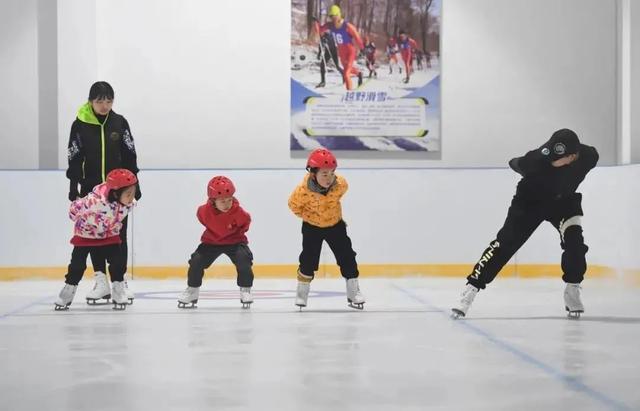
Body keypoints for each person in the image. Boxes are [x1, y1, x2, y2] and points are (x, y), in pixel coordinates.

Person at [451, 129, 599, 319]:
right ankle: (471, 289)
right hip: (529, 203)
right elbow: (514, 162)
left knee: (575, 243)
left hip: (563, 203)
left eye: (558, 159)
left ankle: (572, 289)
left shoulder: (588, 156)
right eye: (550, 157)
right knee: (505, 244)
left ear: (573, 156)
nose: (552, 161)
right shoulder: (534, 161)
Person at [66, 81, 140, 304]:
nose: (105, 105)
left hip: (118, 192)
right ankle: (101, 280)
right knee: (92, 236)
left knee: (119, 235)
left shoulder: (119, 122)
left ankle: (120, 280)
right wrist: (74, 186)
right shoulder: (79, 125)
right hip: (91, 191)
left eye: (109, 100)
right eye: (100, 101)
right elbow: (74, 157)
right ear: (91, 101)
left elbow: (130, 155)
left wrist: (136, 185)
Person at [288, 148, 365, 310]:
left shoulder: (341, 185)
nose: (329, 178)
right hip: (312, 228)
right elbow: (293, 206)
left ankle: (353, 292)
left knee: (347, 256)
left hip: (335, 225)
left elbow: (339, 194)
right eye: (324, 174)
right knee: (308, 260)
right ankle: (302, 293)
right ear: (313, 173)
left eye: (331, 173)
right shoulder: (302, 191)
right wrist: (308, 217)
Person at [55, 169, 137, 311]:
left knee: (117, 262)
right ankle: (67, 292)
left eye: (133, 193)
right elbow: (74, 210)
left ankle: (118, 290)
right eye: (128, 194)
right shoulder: (93, 203)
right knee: (77, 266)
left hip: (108, 234)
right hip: (86, 235)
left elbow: (122, 209)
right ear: (116, 193)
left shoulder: (128, 203)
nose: (132, 198)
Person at [177, 176, 255, 309]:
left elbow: (246, 223)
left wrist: (235, 234)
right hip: (211, 241)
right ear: (213, 201)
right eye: (223, 201)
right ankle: (192, 291)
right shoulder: (203, 211)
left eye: (229, 200)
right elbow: (203, 219)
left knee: (244, 260)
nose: (227, 204)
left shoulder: (239, 212)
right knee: (196, 261)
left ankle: (245, 290)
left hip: (235, 241)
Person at [315, 5, 364, 90]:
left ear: (339, 15)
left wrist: (362, 48)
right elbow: (319, 30)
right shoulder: (330, 25)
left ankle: (349, 94)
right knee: (346, 70)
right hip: (341, 52)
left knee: (346, 74)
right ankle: (359, 73)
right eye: (331, 17)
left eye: (335, 17)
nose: (333, 19)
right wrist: (316, 22)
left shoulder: (347, 26)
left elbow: (357, 36)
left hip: (350, 51)